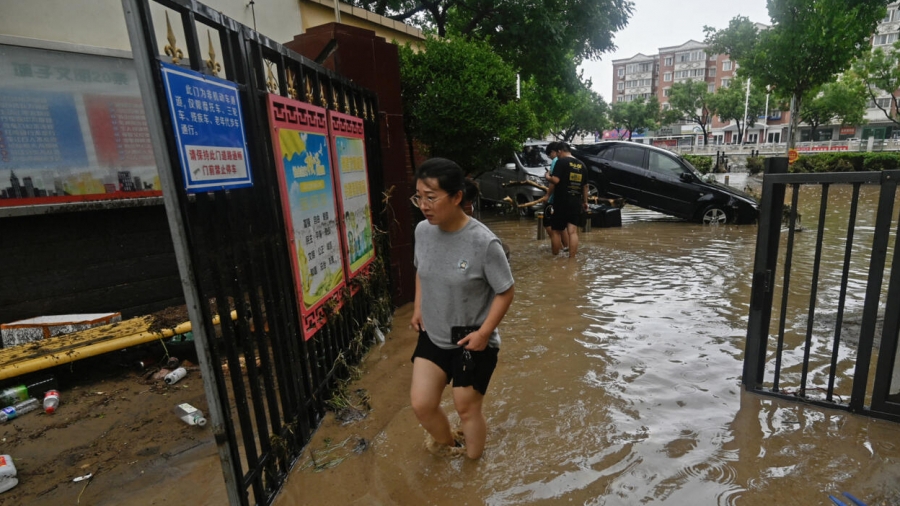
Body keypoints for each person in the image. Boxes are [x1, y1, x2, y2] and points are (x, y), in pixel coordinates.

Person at [409, 157, 515, 459]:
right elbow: (422, 270)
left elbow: (505, 291)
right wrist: (418, 307)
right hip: (434, 330)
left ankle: (472, 466)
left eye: (431, 197)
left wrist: (484, 333)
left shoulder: (484, 243)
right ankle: (450, 447)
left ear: (457, 197)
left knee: (466, 408)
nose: (424, 205)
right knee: (422, 404)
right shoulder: (422, 231)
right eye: (419, 197)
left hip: (471, 335)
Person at [545, 142, 587, 258]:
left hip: (561, 201)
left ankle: (555, 258)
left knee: (556, 231)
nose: (557, 156)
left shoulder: (561, 162)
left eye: (557, 154)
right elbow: (585, 186)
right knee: (572, 231)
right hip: (576, 202)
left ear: (560, 151)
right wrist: (585, 202)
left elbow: (556, 180)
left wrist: (547, 177)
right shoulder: (582, 165)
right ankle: (572, 259)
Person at [542, 142, 569, 251]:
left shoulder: (555, 161)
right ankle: (566, 248)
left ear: (554, 152)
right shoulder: (567, 161)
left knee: (550, 226)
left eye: (550, 155)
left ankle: (557, 252)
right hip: (564, 199)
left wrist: (547, 195)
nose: (552, 158)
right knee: (562, 227)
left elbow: (553, 181)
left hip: (554, 199)